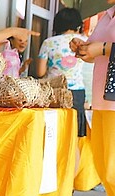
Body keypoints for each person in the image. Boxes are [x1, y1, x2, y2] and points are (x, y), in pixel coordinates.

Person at [69, 0, 115, 196]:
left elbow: (107, 48)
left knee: (114, 167)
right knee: (105, 164)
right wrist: (84, 47)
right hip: (104, 100)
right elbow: (99, 50)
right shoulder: (108, 15)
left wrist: (104, 47)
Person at [36, 8, 88, 137]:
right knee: (74, 133)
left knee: (53, 131)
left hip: (53, 90)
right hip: (77, 92)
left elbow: (40, 72)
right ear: (78, 24)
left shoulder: (49, 42)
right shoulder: (85, 41)